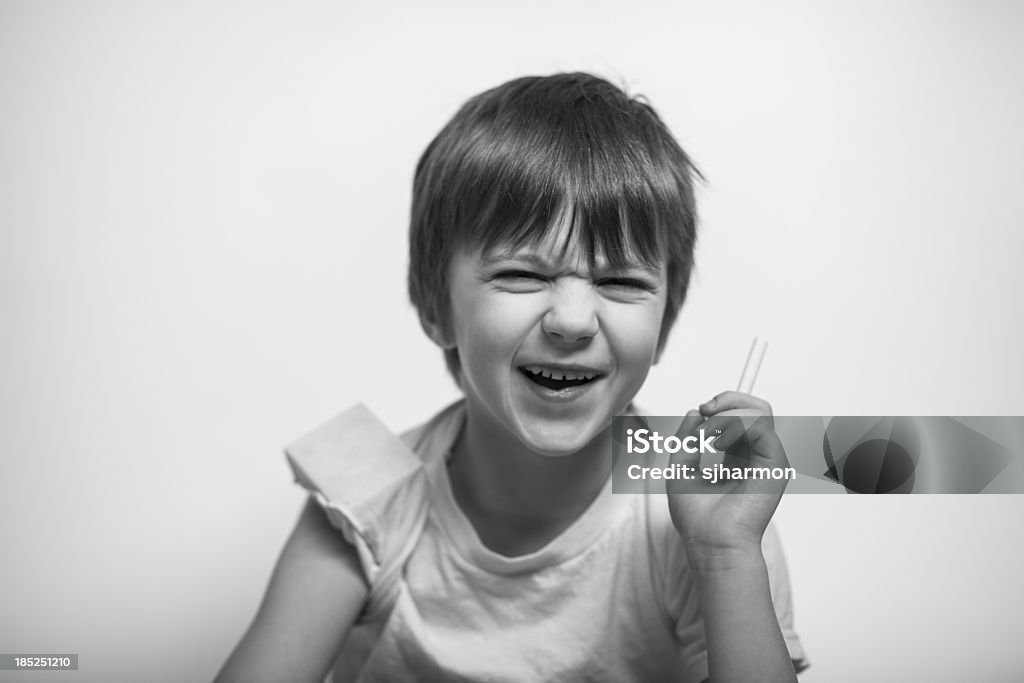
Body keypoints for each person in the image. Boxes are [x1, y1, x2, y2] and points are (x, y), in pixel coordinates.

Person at [214, 72, 809, 683]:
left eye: (621, 283)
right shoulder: (362, 492)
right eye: (522, 275)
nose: (574, 321)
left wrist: (724, 556)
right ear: (435, 305)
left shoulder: (709, 507)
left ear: (665, 321)